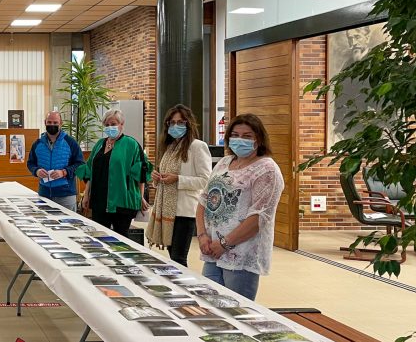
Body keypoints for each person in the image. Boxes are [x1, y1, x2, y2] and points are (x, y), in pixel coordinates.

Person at [196, 113, 284, 301]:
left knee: (236, 310)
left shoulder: (267, 170)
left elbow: (259, 218)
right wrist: (202, 235)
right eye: (235, 135)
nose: (239, 140)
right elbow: (204, 199)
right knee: (209, 305)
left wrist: (225, 244)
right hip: (212, 249)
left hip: (241, 255)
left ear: (258, 139)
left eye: (247, 136)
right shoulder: (225, 162)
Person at [146, 104, 212, 267]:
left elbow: (206, 181)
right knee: (172, 257)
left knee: (178, 258)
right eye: (172, 122)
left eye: (180, 122)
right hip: (167, 209)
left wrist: (178, 179)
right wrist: (156, 178)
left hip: (185, 211)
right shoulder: (169, 147)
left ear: (188, 124)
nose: (176, 126)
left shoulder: (197, 146)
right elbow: (165, 176)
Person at [79, 109, 151, 237]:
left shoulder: (131, 144)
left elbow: (141, 173)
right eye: (107, 125)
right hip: (99, 201)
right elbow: (90, 170)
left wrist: (140, 197)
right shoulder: (100, 145)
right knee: (100, 238)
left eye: (113, 124)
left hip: (122, 202)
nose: (110, 127)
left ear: (121, 124)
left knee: (120, 240)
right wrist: (86, 194)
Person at [27, 111, 85, 211]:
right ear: (45, 122)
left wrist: (64, 172)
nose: (52, 125)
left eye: (55, 123)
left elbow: (80, 164)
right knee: (44, 225)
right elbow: (30, 163)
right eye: (49, 122)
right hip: (44, 195)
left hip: (66, 196)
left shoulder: (70, 142)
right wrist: (36, 171)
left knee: (68, 225)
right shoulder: (37, 144)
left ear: (61, 123)